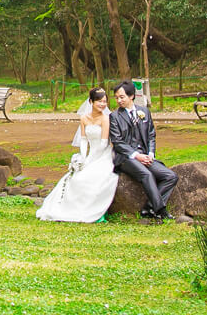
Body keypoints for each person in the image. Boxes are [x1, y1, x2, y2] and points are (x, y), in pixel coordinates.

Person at [35, 87, 119, 223]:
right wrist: (82, 158)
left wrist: (91, 160)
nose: (103, 104)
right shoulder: (84, 118)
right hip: (91, 154)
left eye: (105, 102)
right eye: (99, 101)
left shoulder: (106, 119)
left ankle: (90, 210)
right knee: (74, 178)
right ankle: (68, 208)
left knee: (90, 178)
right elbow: (84, 140)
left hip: (103, 155)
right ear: (91, 102)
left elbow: (103, 144)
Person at [109, 80, 177, 222]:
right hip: (125, 158)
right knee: (147, 175)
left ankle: (149, 207)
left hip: (145, 155)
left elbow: (151, 134)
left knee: (170, 176)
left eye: (122, 97)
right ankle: (161, 210)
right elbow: (117, 142)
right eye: (116, 97)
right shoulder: (114, 116)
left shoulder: (144, 112)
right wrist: (137, 156)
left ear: (131, 96)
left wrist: (150, 154)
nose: (119, 100)